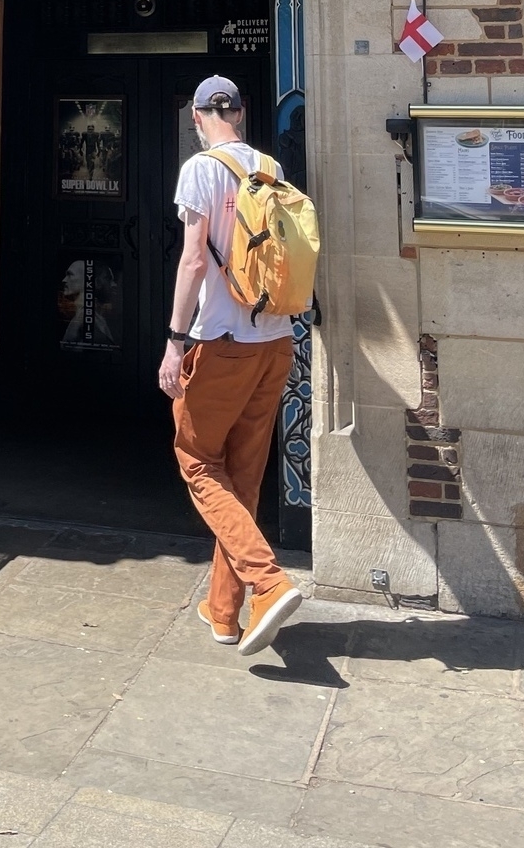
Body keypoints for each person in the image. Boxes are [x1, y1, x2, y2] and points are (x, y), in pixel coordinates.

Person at [158, 75, 303, 657]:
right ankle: (224, 612)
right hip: (274, 339)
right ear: (239, 113)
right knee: (241, 475)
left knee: (196, 460)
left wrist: (173, 339)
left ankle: (267, 583)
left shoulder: (201, 168)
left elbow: (194, 259)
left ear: (197, 118)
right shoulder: (269, 167)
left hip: (219, 341)